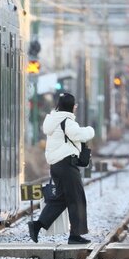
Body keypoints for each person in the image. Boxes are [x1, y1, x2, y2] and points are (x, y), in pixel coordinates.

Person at [30, 92, 94, 245]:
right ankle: (75, 236)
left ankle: (37, 225)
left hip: (56, 166)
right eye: (75, 105)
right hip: (67, 165)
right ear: (71, 106)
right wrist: (91, 130)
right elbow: (80, 135)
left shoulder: (54, 120)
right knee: (77, 199)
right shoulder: (67, 121)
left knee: (61, 199)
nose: (76, 107)